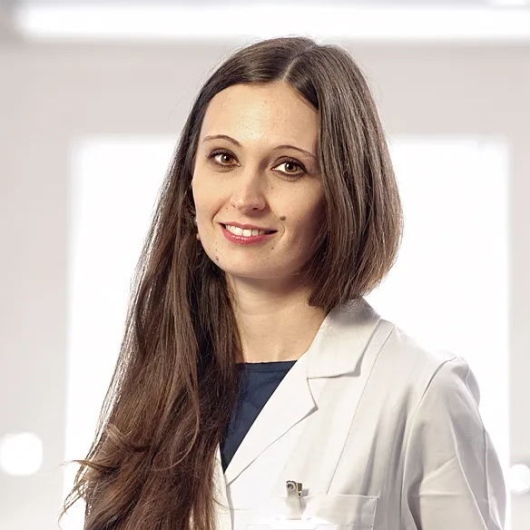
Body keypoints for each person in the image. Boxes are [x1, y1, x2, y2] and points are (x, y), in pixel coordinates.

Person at [63, 36, 506, 530]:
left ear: (344, 192)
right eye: (224, 158)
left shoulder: (419, 388)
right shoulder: (160, 385)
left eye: (288, 167)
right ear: (190, 180)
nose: (246, 197)